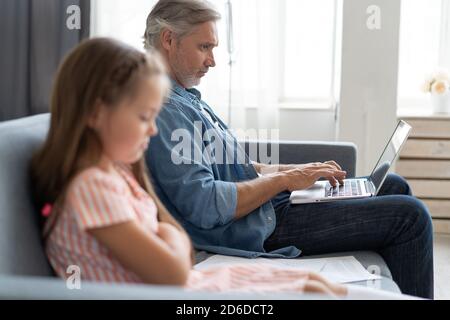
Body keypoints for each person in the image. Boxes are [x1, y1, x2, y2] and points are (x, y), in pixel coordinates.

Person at [143, 0, 434, 298]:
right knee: (411, 217)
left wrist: (297, 172)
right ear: (168, 39)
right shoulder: (165, 109)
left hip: (264, 209)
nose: (212, 60)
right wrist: (282, 181)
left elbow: (235, 166)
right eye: (205, 47)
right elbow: (205, 204)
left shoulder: (186, 99)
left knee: (392, 184)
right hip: (259, 228)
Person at [30, 37, 348, 297]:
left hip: (188, 289)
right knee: (311, 292)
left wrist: (168, 236)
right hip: (182, 296)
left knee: (314, 286)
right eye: (144, 117)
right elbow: (173, 269)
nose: (153, 130)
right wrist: (170, 235)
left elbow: (175, 252)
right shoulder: (91, 187)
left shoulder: (118, 175)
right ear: (96, 114)